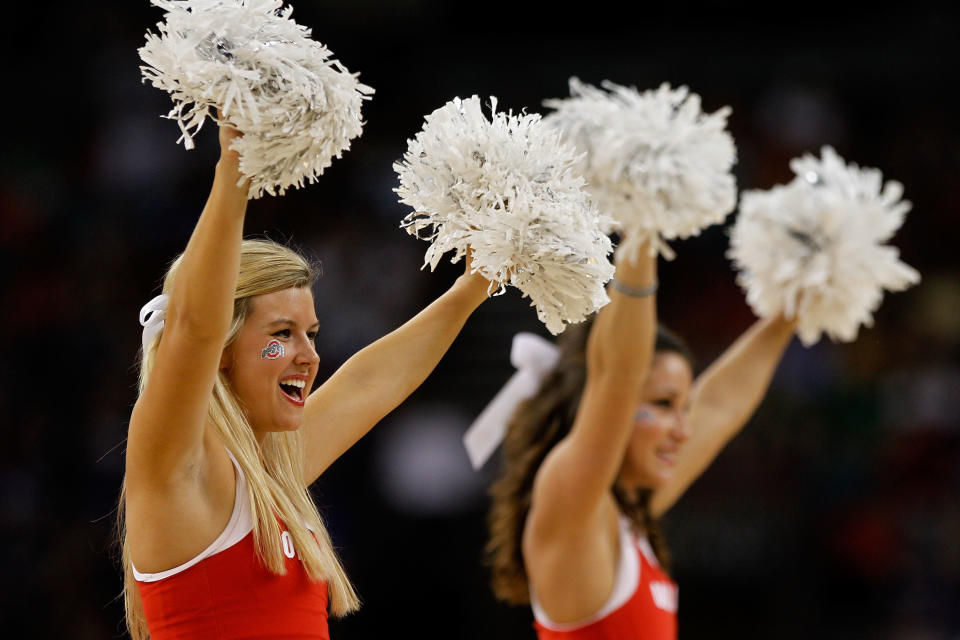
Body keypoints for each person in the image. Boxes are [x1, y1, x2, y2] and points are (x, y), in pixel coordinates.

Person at [119, 123, 491, 639]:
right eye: (282, 334)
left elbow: (367, 385)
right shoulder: (179, 467)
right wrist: (235, 169)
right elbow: (194, 327)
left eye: (311, 333)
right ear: (222, 349)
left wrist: (472, 288)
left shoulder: (272, 470)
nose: (308, 357)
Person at [484, 237, 797, 639]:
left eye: (684, 408)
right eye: (664, 404)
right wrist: (644, 226)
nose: (684, 431)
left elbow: (720, 407)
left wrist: (794, 307)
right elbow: (618, 372)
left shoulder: (628, 512)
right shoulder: (574, 505)